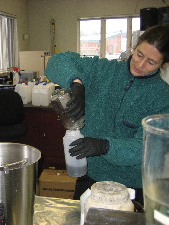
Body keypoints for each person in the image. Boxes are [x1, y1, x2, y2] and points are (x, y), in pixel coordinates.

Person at [45, 24, 169, 205]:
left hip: (132, 187)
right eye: (139, 54)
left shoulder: (162, 97)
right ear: (134, 47)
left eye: (151, 62)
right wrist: (77, 83)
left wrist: (104, 146)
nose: (140, 65)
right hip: (91, 178)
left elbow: (144, 147)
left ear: (163, 64)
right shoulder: (104, 70)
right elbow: (57, 61)